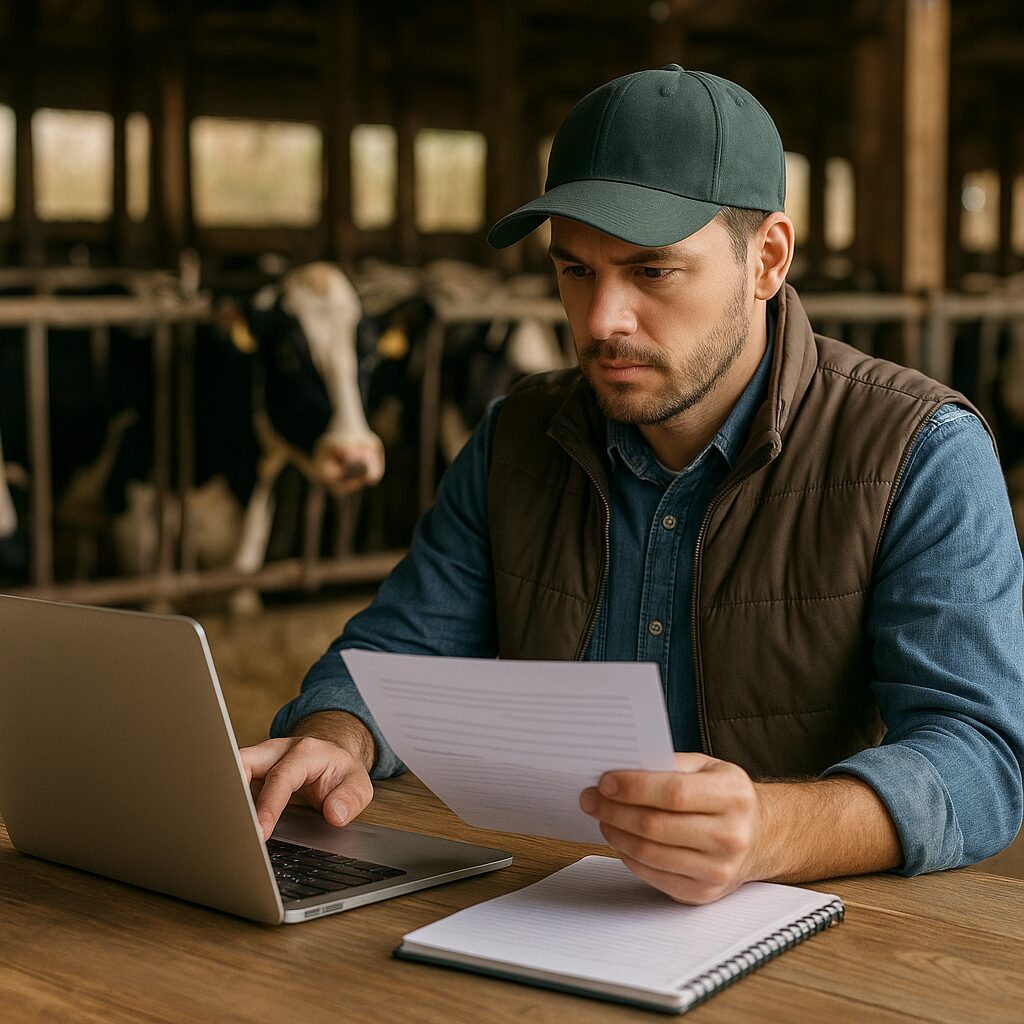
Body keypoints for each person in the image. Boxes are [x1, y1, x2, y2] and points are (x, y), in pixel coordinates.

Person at [240, 65, 1024, 904]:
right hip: (550, 911)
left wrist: (771, 829)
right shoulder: (515, 441)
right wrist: (337, 733)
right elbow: (394, 650)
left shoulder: (920, 451)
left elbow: (980, 758)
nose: (603, 319)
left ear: (768, 260)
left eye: (652, 272)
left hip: (811, 940)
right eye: (575, 270)